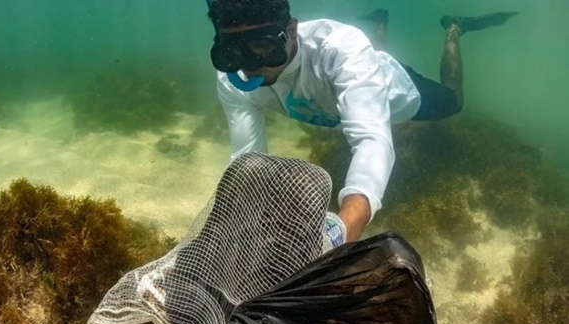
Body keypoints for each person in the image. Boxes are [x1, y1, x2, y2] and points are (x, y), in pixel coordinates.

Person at [207, 0, 517, 244]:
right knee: (370, 60)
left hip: (400, 94)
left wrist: (344, 230)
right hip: (359, 76)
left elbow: (372, 141)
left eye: (262, 44)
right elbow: (249, 161)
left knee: (453, 101)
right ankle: (381, 22)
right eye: (233, 48)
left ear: (291, 30)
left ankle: (453, 29)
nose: (249, 64)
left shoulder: (341, 52)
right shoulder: (233, 80)